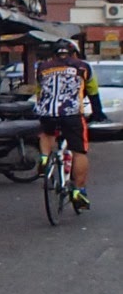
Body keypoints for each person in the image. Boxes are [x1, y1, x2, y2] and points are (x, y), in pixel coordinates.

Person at [35, 38, 103, 209]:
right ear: (73, 53)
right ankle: (78, 191)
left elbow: (39, 91)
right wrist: (97, 113)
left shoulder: (43, 68)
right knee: (79, 151)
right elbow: (93, 91)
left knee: (47, 133)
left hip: (47, 112)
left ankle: (44, 159)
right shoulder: (82, 66)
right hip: (71, 114)